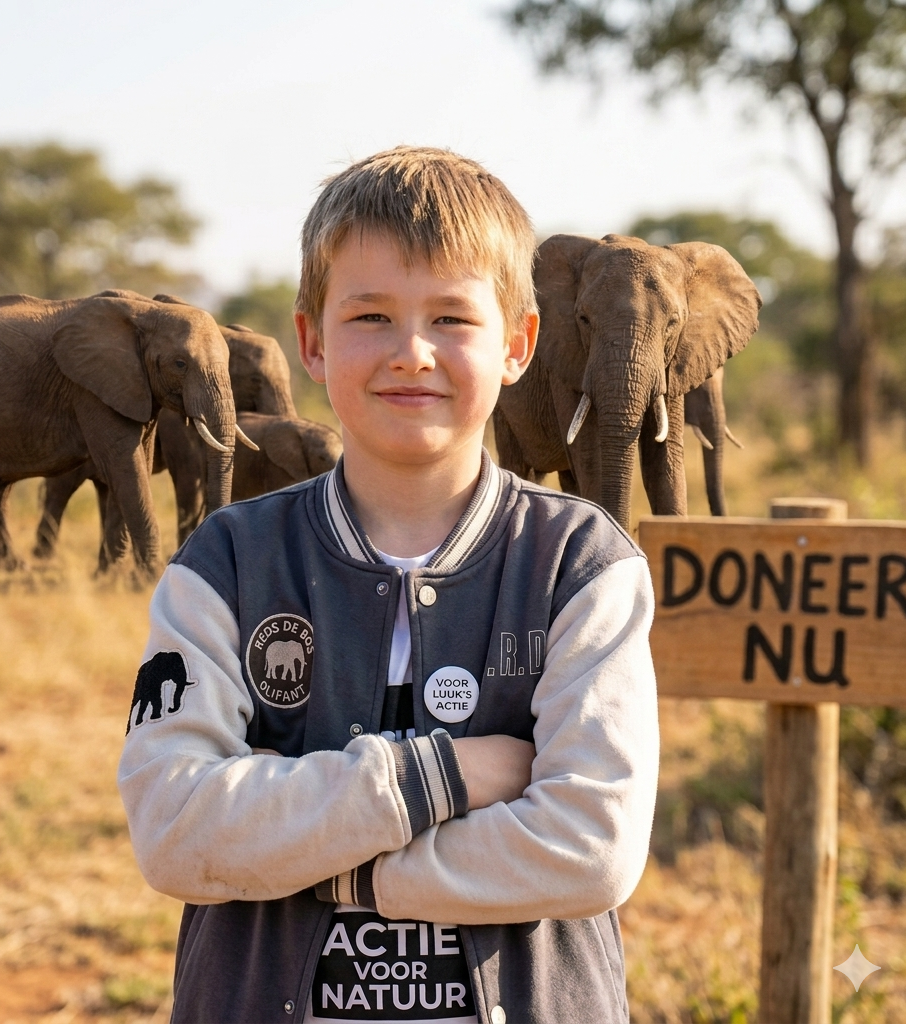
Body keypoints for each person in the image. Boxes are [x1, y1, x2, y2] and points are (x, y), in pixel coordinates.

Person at [118, 146, 659, 1024]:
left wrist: (322, 860)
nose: (412, 353)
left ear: (518, 345)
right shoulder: (226, 562)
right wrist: (445, 777)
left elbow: (590, 849)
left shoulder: (581, 564)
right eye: (370, 315)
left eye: (452, 317)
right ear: (312, 342)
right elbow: (177, 832)